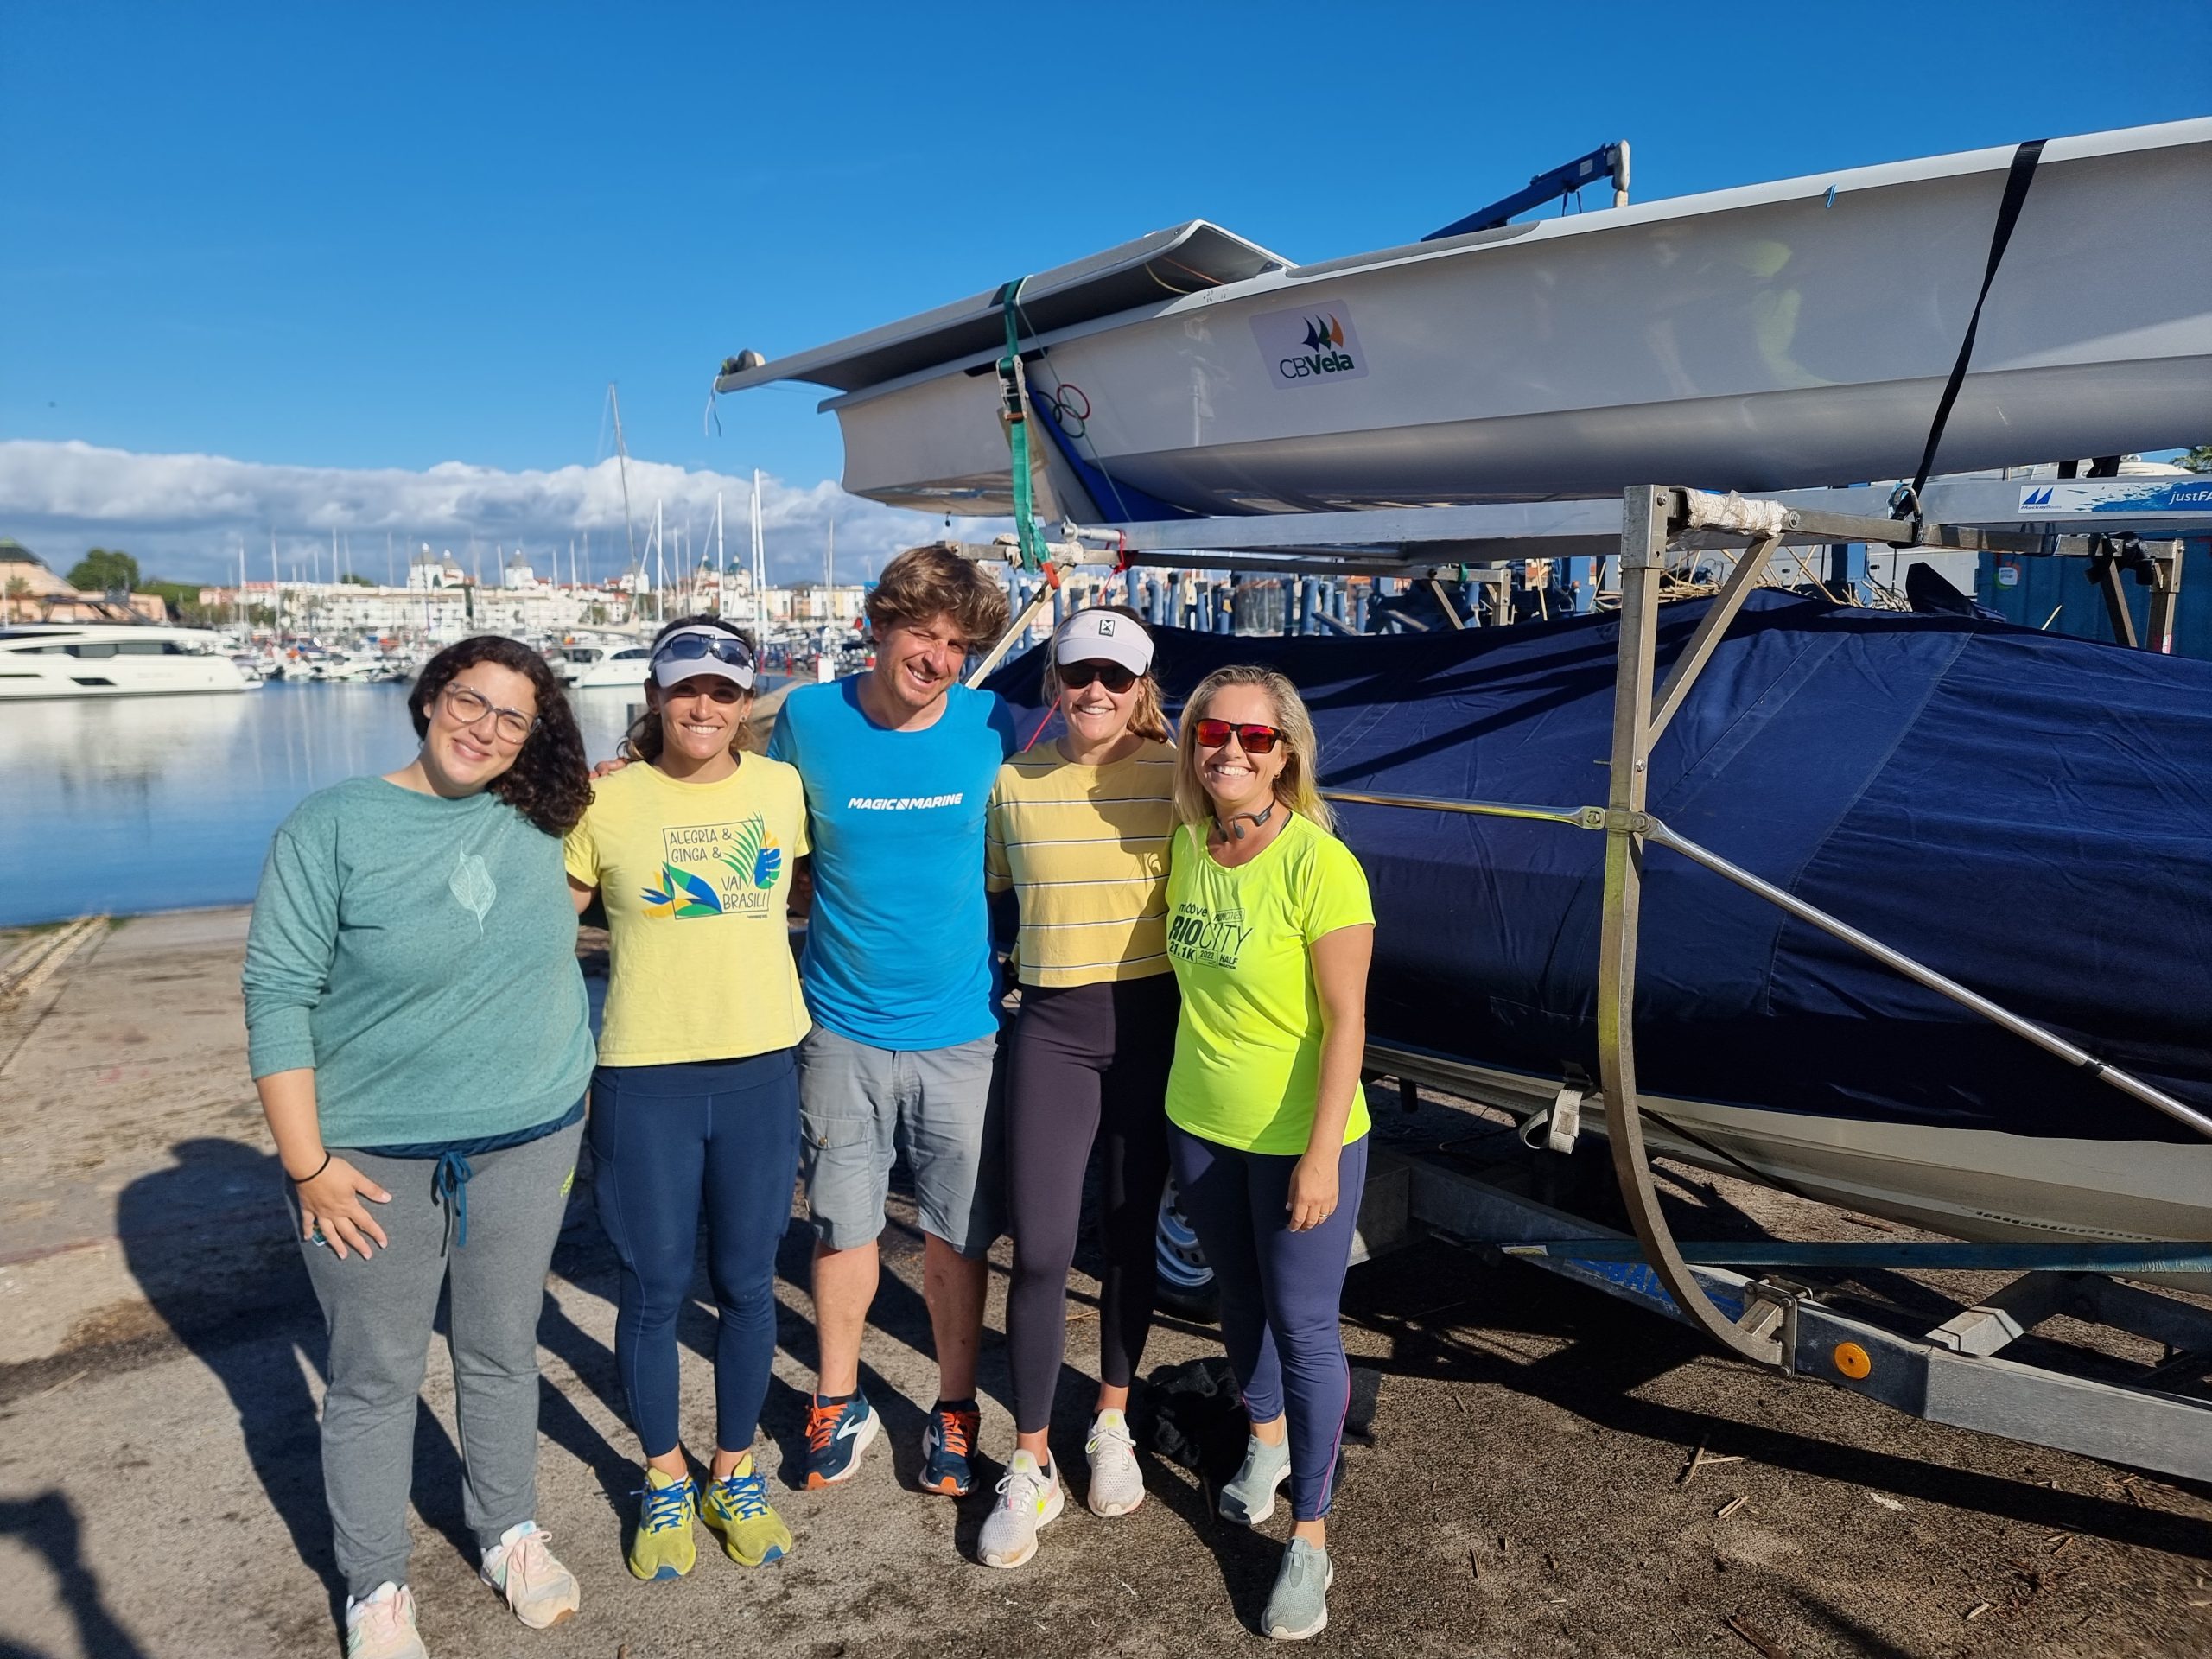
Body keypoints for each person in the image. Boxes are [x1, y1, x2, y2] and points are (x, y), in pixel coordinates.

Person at [244, 637, 596, 1659]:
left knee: (498, 1351)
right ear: (428, 698)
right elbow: (277, 995)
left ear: (536, 735)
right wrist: (306, 1163)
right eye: (466, 701)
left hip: (527, 1139)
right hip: (371, 1159)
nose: (481, 728)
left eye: (510, 717)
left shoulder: (545, 816)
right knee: (373, 1377)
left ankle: (510, 1531)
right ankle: (377, 1586)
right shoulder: (335, 823)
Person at [765, 544, 1018, 1497]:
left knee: (957, 1234)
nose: (940, 659)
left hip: (961, 1031)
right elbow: (732, 797)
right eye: (924, 633)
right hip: (840, 1026)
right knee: (843, 1224)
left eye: (958, 644)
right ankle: (839, 1399)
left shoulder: (990, 724)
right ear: (880, 624)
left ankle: (954, 1410)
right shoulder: (807, 717)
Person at [563, 615, 810, 1582]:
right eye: (685, 687)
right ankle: (664, 1478)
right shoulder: (603, 802)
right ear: (655, 695)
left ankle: (732, 1471)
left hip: (759, 1070)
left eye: (723, 690)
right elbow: (542, 923)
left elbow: (790, 892)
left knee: (749, 1284)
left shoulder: (780, 789)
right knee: (655, 1289)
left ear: (747, 703)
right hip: (645, 1077)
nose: (703, 705)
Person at [1162, 665, 1374, 1643]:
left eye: (1254, 738)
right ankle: (1263, 1441)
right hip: (1200, 1122)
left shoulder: (1320, 864)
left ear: (1285, 753)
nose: (1231, 751)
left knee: (1304, 1327)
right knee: (1234, 1300)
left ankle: (1312, 1538)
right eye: (1214, 733)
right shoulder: (1187, 844)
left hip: (1302, 1138)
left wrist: (1322, 1156)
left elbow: (1346, 1025)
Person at [976, 607, 1179, 1569]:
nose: (1093, 690)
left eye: (1113, 675)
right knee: (1046, 1247)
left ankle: (1110, 1421)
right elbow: (981, 893)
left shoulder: (1180, 779)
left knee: (1130, 1232)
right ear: (1054, 683)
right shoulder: (1013, 782)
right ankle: (1028, 1462)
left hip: (1151, 1027)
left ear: (1141, 687)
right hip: (1052, 1030)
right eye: (1076, 674)